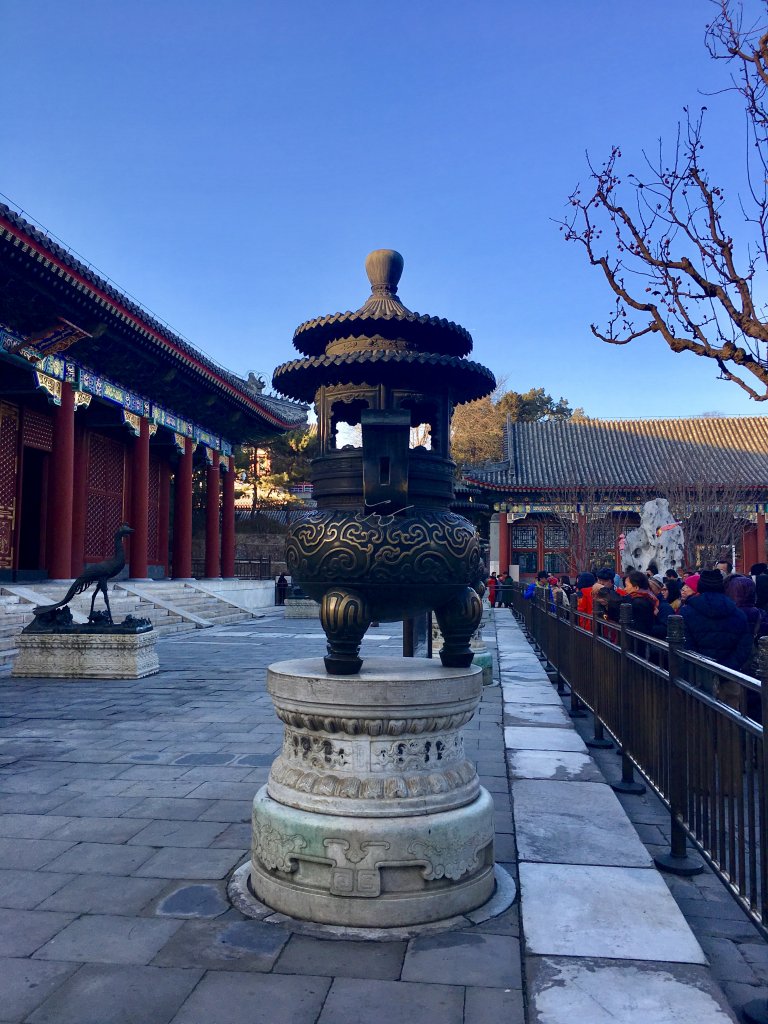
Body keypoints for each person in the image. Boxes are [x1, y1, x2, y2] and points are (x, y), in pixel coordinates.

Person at [680, 568, 752, 672]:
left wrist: (700, 665)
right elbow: (744, 646)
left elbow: (686, 644)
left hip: (697, 672)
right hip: (729, 673)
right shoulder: (738, 613)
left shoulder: (687, 612)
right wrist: (729, 667)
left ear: (700, 586)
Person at [621, 570, 660, 636]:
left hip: (639, 638)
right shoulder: (647, 596)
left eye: (627, 586)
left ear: (636, 587)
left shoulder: (638, 603)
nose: (625, 589)